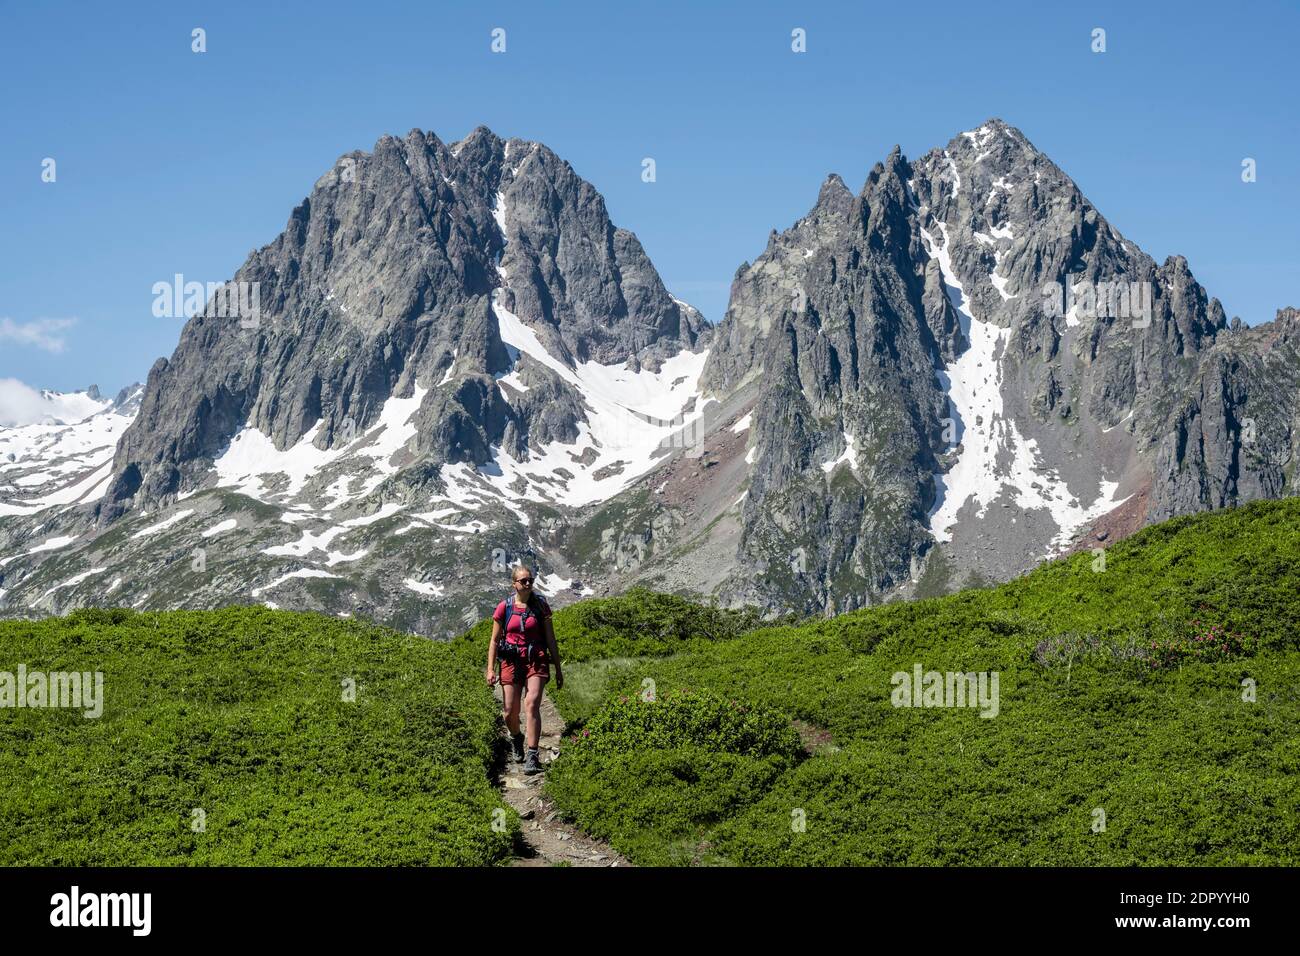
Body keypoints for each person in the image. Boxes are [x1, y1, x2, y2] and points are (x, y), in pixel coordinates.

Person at [485, 565, 563, 775]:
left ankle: (532, 754)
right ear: (514, 584)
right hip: (510, 661)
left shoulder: (541, 606)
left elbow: (550, 639)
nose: (528, 584)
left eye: (530, 580)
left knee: (532, 704)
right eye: (523, 581)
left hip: (535, 661)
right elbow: (494, 641)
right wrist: (490, 669)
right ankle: (516, 736)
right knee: (510, 710)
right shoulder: (504, 607)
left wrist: (558, 667)